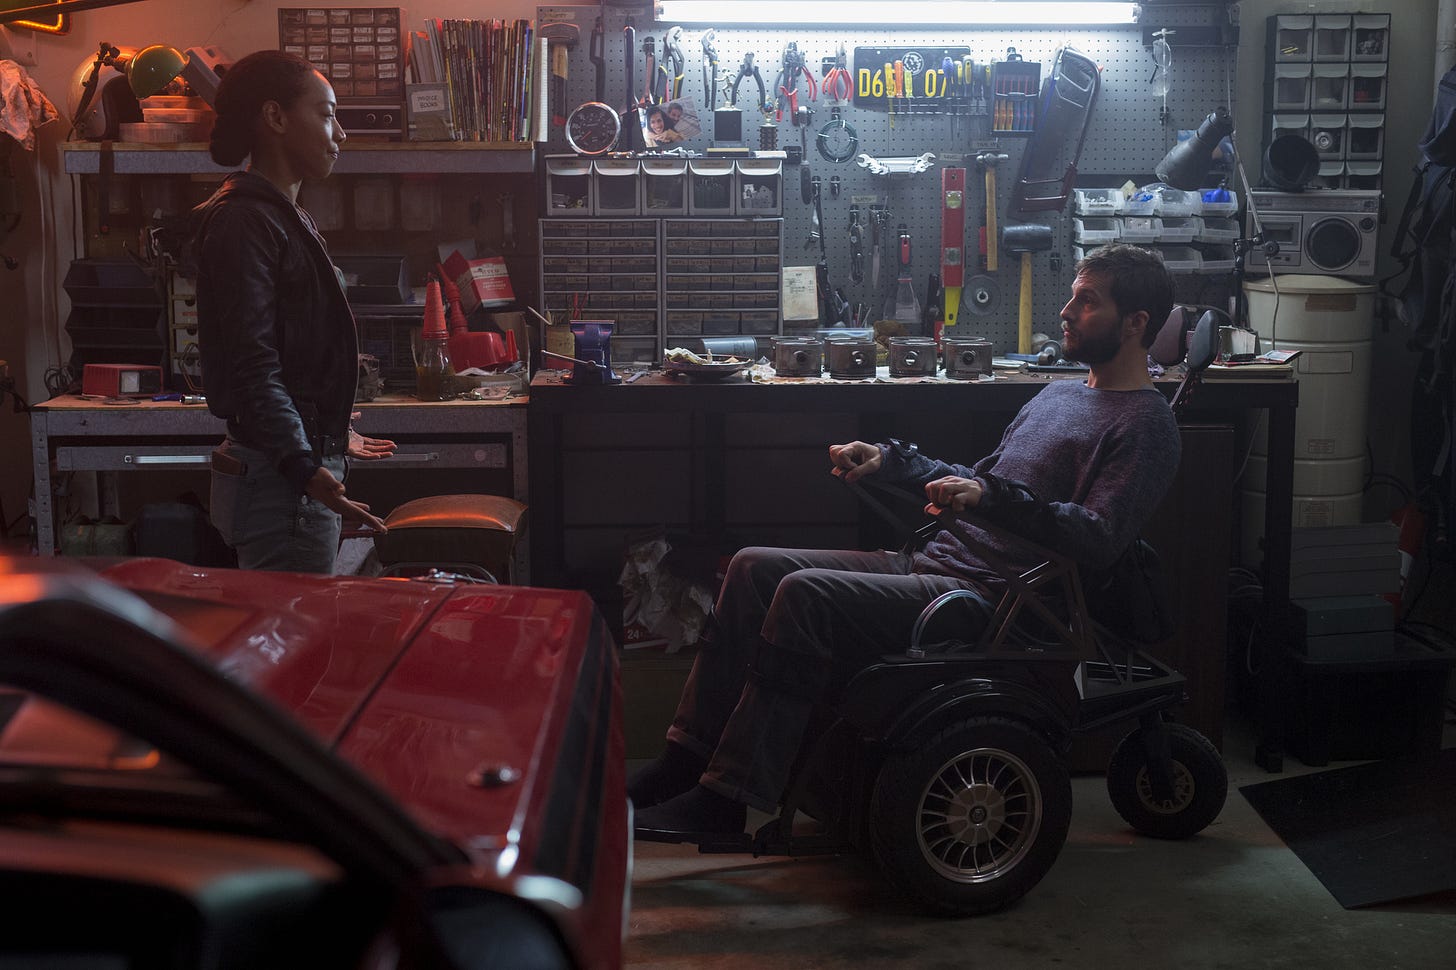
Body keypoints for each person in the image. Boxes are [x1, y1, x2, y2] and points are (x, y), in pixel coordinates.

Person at [630, 244, 1181, 841]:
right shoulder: (1059, 394)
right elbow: (980, 477)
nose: (1068, 311)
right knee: (751, 568)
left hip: (1000, 600)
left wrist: (991, 498)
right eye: (1072, 296)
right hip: (937, 563)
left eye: (1087, 302)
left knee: (802, 594)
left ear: (1136, 323)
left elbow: (1098, 537)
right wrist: (892, 462)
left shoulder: (1146, 426)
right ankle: (684, 764)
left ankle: (725, 799)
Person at [194, 50, 395, 573]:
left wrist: (329, 432)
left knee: (301, 645)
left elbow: (290, 352)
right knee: (293, 650)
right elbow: (253, 363)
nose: (341, 133)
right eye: (327, 114)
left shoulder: (280, 217)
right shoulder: (245, 222)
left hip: (289, 475)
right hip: (282, 488)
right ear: (276, 118)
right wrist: (303, 463)